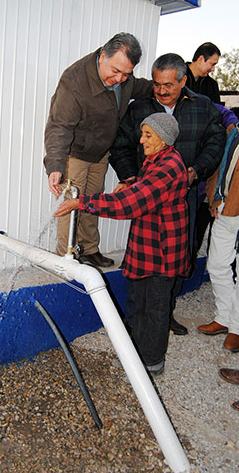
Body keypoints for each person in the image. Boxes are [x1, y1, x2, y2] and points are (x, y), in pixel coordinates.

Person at [54, 112, 190, 375]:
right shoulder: (157, 159)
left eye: (148, 135)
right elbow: (143, 188)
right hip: (146, 246)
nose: (141, 140)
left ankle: (151, 361)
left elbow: (131, 204)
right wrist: (130, 183)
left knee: (154, 310)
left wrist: (82, 203)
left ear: (165, 138)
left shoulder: (169, 166)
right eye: (143, 133)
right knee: (137, 303)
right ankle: (134, 354)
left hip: (161, 252)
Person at [109, 53, 226, 335]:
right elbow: (121, 145)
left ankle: (164, 313)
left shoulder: (203, 106)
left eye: (168, 86)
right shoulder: (139, 108)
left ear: (183, 81)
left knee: (176, 257)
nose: (161, 91)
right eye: (156, 84)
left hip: (185, 197)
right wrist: (130, 178)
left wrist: (196, 170)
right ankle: (136, 322)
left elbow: (216, 142)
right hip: (146, 197)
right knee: (141, 258)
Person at [43, 33, 152, 268]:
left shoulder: (125, 78)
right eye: (115, 71)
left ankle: (89, 249)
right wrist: (55, 166)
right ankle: (66, 257)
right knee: (71, 206)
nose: (120, 78)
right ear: (103, 56)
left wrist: (167, 87)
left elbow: (143, 88)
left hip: (100, 154)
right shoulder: (75, 81)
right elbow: (58, 126)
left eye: (126, 74)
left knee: (92, 203)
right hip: (74, 155)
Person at [185, 43, 238, 256]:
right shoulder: (180, 77)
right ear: (200, 59)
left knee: (202, 214)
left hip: (205, 159)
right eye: (212, 63)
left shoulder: (212, 85)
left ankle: (193, 257)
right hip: (185, 155)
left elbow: (218, 115)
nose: (213, 69)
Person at [197, 122, 239, 352]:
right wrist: (214, 199)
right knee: (216, 266)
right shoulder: (232, 132)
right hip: (223, 209)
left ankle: (237, 328)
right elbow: (218, 168)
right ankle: (224, 317)